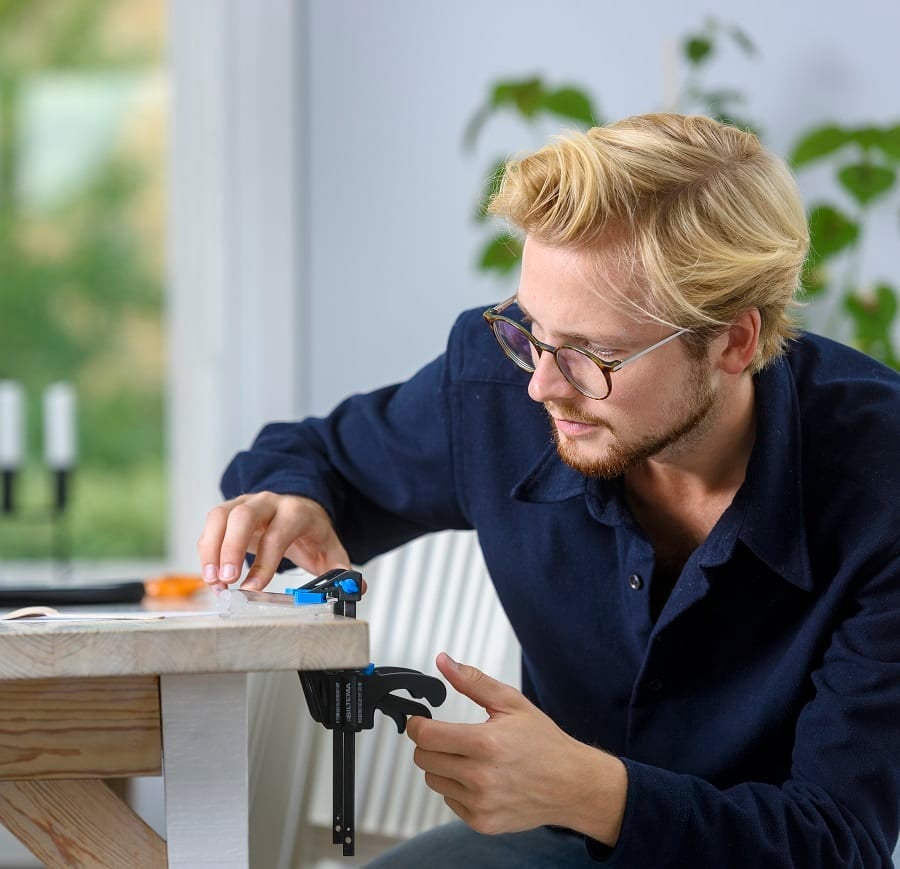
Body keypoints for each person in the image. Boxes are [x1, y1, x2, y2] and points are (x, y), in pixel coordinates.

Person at [198, 113, 900, 867]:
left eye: (596, 353)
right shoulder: (501, 385)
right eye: (530, 331)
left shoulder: (881, 483)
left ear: (734, 340)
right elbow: (305, 454)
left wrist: (594, 792)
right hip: (554, 847)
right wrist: (293, 498)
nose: (541, 385)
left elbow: (838, 845)